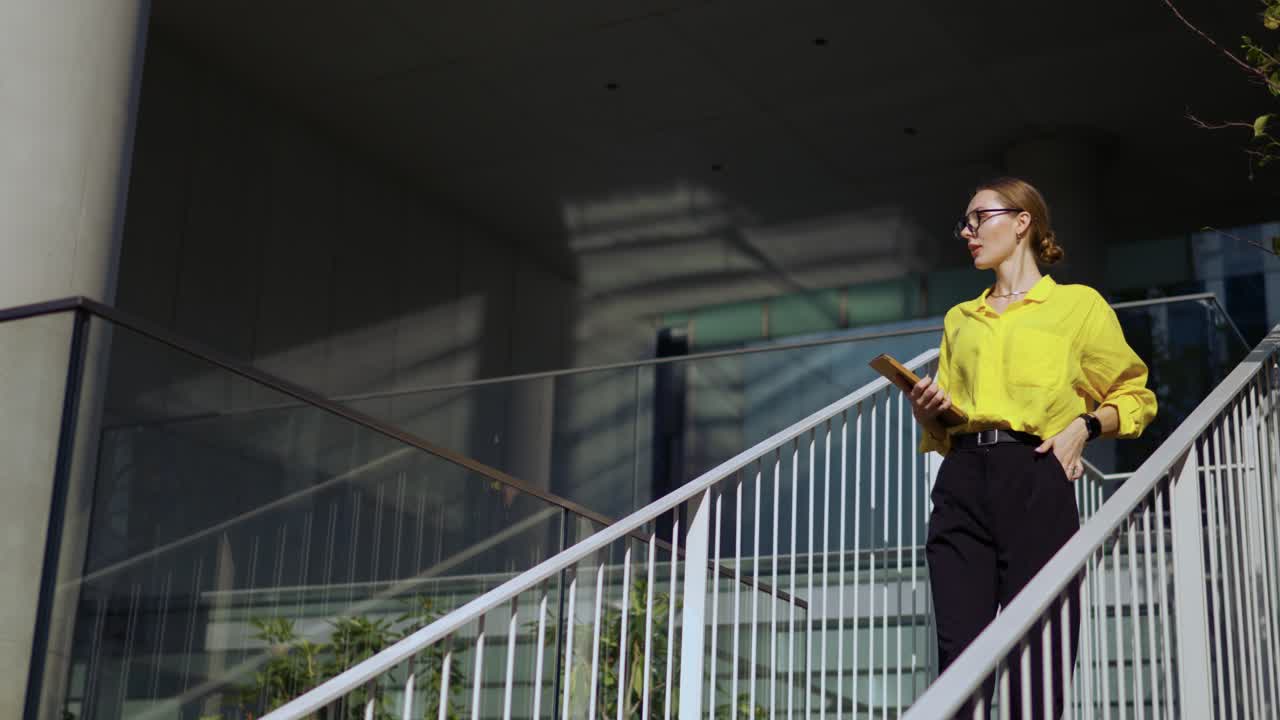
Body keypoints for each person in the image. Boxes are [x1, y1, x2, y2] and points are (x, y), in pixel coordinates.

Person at [909, 177, 1157, 719]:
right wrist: (927, 410)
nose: (968, 232)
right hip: (962, 479)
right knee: (959, 654)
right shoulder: (961, 319)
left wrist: (1085, 427)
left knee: (1039, 651)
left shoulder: (1076, 307)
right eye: (965, 223)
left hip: (1036, 475)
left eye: (979, 218)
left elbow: (1135, 396)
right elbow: (945, 424)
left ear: (1022, 221)